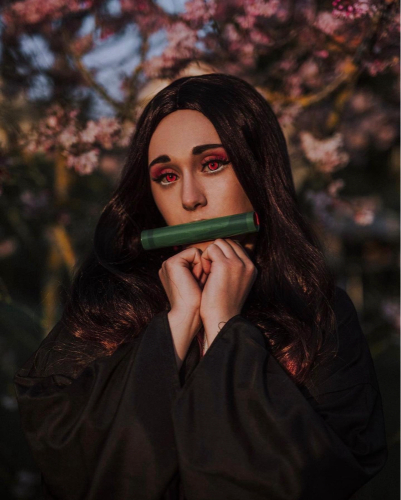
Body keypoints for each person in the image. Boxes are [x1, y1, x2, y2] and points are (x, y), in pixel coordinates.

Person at [14, 73, 387, 500]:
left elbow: (311, 475)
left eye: (212, 164)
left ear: (259, 170)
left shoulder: (317, 308)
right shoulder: (107, 303)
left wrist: (224, 328)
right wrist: (177, 324)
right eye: (166, 176)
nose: (190, 198)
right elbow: (71, 460)